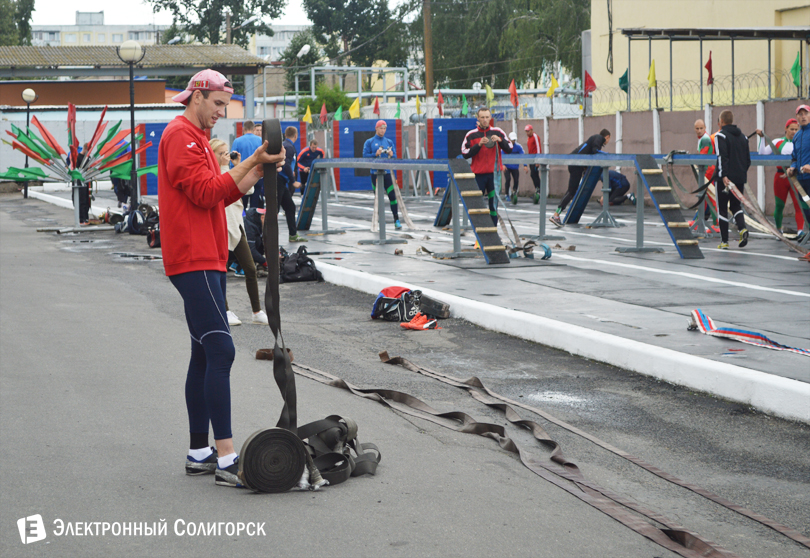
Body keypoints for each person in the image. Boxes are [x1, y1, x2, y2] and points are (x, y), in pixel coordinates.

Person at [158, 69, 285, 488]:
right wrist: (250, 160)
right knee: (222, 351)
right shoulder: (180, 135)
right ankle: (227, 457)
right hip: (192, 258)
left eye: (223, 106)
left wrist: (259, 166)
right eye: (215, 104)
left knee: (203, 352)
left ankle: (199, 453)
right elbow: (204, 193)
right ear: (196, 95)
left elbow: (224, 190)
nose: (219, 113)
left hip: (207, 257)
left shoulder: (195, 137)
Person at [209, 138, 269, 327]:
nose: (226, 156)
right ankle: (224, 310)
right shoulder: (212, 173)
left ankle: (256, 311)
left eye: (228, 152)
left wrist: (238, 166)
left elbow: (248, 189)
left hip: (236, 223)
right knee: (221, 271)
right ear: (213, 155)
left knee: (250, 268)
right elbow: (222, 189)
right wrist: (229, 167)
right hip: (220, 225)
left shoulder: (230, 170)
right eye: (222, 153)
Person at [461, 107, 513, 225]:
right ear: (478, 118)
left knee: (493, 206)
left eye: (487, 117)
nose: (485, 120)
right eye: (482, 117)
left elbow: (509, 148)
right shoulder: (471, 134)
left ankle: (493, 232)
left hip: (494, 175)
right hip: (478, 175)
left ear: (490, 118)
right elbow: (464, 153)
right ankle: (478, 238)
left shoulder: (498, 132)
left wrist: (500, 140)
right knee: (477, 206)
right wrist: (478, 145)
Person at [756, 118, 808, 237]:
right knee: (779, 206)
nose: (794, 131)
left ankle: (800, 231)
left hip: (795, 177)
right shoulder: (778, 142)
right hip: (780, 177)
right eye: (791, 129)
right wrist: (762, 138)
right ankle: (778, 230)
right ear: (786, 129)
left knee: (799, 205)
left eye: (796, 129)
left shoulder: (801, 142)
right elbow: (762, 153)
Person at [549, 130, 610, 227]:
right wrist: (606, 154)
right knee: (571, 191)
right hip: (575, 164)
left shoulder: (594, 139)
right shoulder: (599, 138)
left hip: (576, 163)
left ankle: (557, 213)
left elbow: (588, 152)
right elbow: (595, 150)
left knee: (572, 191)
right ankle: (556, 215)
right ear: (607, 137)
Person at [713, 110, 751, 249]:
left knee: (722, 208)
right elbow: (747, 160)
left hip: (725, 179)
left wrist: (723, 175)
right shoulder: (744, 137)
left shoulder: (720, 136)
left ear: (721, 122)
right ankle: (742, 228)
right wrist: (740, 174)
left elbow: (722, 157)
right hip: (739, 177)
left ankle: (724, 242)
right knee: (735, 205)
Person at [363, 120, 402, 229]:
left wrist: (391, 154)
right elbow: (365, 156)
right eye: (381, 128)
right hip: (375, 173)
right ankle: (380, 221)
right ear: (376, 128)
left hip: (387, 173)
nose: (383, 130)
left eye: (384, 128)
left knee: (393, 197)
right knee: (378, 198)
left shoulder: (389, 142)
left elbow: (395, 158)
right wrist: (375, 154)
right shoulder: (369, 142)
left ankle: (396, 220)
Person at [277, 126, 308, 242]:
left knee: (290, 207)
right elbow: (286, 165)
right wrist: (293, 181)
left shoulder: (284, 144)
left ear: (285, 135)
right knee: (273, 211)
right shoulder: (289, 147)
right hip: (279, 180)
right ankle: (267, 237)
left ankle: (293, 235)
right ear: (296, 136)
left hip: (281, 181)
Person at [786, 104, 810, 241]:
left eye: (805, 113)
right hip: (801, 182)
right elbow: (794, 157)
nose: (803, 116)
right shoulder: (797, 136)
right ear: (797, 117)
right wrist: (792, 167)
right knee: (807, 212)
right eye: (800, 114)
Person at [231, 120, 264, 209]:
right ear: (254, 129)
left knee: (242, 204)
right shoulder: (260, 140)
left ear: (243, 129)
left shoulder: (237, 141)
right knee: (255, 204)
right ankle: (253, 221)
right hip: (257, 175)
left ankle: (243, 220)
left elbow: (232, 159)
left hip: (243, 176)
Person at [695, 119, 717, 222]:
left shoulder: (705, 139)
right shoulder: (702, 138)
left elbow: (702, 158)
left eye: (701, 128)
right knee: (705, 197)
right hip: (708, 170)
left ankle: (716, 224)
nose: (699, 130)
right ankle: (699, 220)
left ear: (705, 128)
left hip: (708, 171)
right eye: (697, 128)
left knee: (710, 198)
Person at [523, 124, 542, 202]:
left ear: (531, 130)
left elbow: (538, 148)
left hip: (535, 159)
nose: (527, 132)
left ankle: (540, 190)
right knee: (533, 175)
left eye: (528, 131)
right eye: (526, 131)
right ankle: (538, 190)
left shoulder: (535, 136)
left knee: (534, 174)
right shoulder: (528, 138)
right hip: (531, 159)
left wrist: (538, 160)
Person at [503, 131, 523, 202]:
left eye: (514, 140)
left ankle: (514, 192)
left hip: (515, 167)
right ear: (509, 139)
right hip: (507, 166)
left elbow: (523, 155)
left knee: (516, 180)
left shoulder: (518, 147)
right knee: (508, 179)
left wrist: (525, 165)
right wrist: (503, 165)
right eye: (512, 139)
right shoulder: (505, 146)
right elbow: (501, 155)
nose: (513, 141)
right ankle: (506, 194)